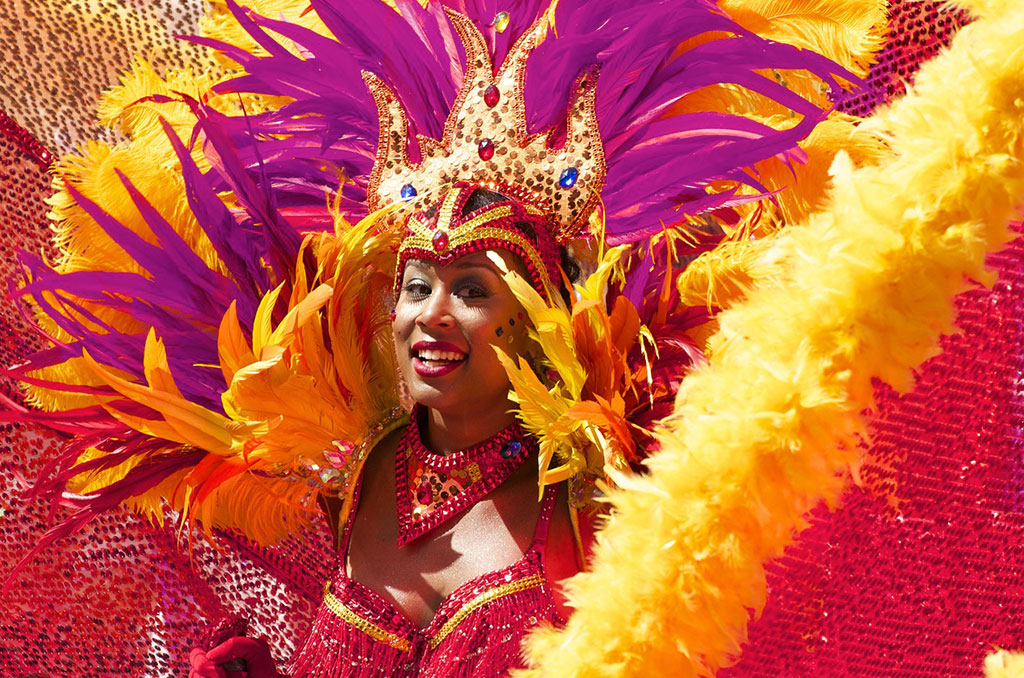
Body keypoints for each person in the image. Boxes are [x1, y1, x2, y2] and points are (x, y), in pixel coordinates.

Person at [5, 1, 883, 676]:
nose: (430, 314)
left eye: (471, 290)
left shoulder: (595, 496)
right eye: (417, 286)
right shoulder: (356, 466)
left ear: (533, 317)